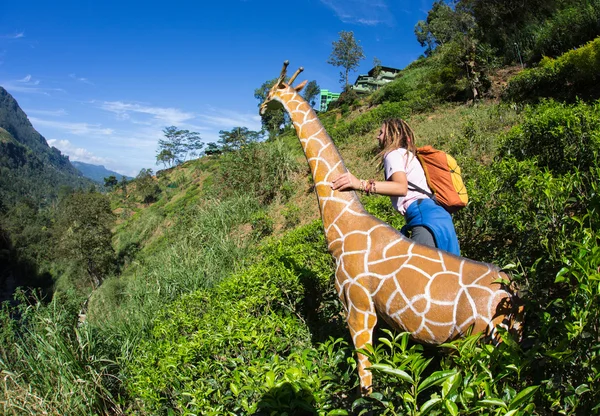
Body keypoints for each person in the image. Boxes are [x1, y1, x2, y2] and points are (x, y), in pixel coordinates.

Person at [331, 118, 460, 256]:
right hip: (441, 218)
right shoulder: (407, 155)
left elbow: (400, 187)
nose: (377, 136)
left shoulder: (393, 154)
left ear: (392, 135)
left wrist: (361, 184)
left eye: (381, 133)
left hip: (424, 218)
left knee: (418, 273)